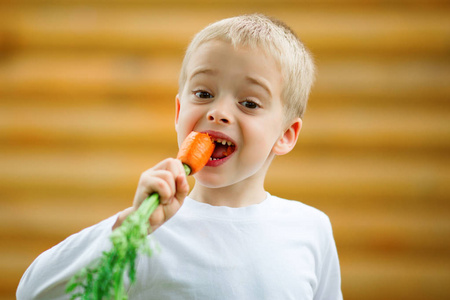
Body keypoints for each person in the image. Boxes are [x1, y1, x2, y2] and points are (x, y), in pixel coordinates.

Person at [17, 14, 342, 299]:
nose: (218, 112)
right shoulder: (147, 230)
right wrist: (129, 228)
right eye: (203, 94)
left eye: (249, 103)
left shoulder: (309, 228)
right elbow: (33, 292)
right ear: (178, 111)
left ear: (285, 135)